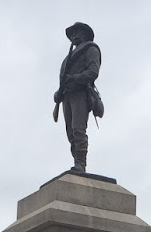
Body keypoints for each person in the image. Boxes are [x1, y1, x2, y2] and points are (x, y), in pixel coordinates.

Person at [53, 22, 101, 173]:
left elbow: (93, 72)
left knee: (78, 129)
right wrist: (58, 93)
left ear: (85, 34)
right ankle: (77, 161)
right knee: (71, 133)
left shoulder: (91, 49)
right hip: (67, 96)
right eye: (72, 33)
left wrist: (74, 79)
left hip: (81, 93)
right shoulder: (66, 60)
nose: (74, 35)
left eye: (77, 32)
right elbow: (62, 82)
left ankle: (81, 163)